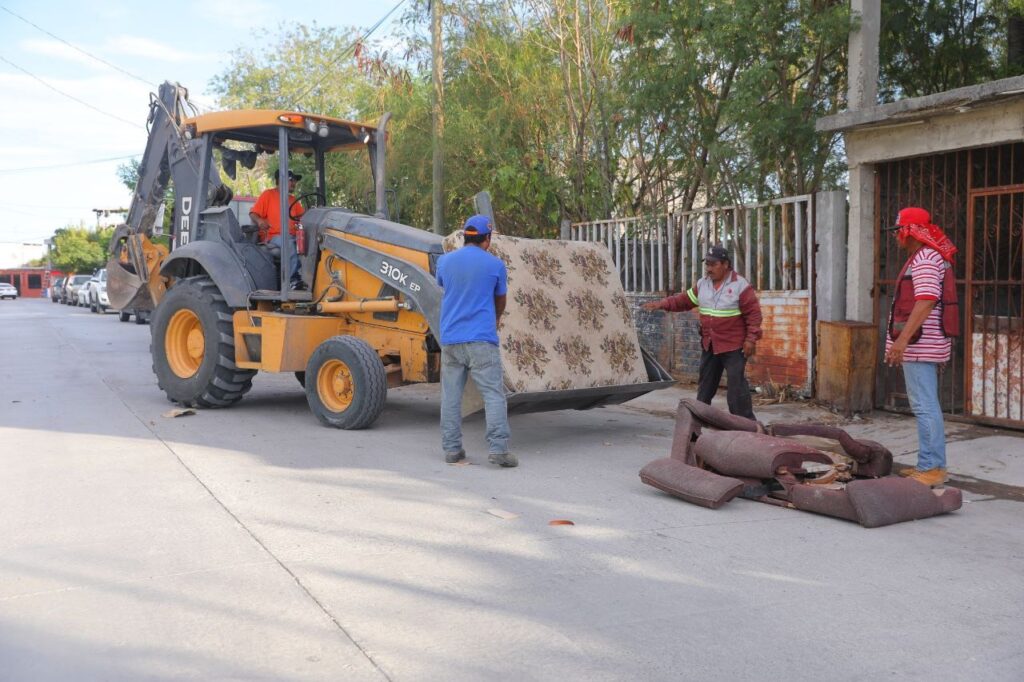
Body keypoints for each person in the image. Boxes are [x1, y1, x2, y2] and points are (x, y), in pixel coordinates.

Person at [641, 244, 762, 420]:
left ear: (725, 264)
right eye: (707, 264)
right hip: (710, 343)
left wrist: (751, 339)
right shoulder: (702, 284)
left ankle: (746, 424)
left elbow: (754, 314)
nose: (709, 268)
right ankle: (697, 422)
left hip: (733, 346)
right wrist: (663, 304)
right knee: (705, 387)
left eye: (713, 264)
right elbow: (684, 300)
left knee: (737, 388)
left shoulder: (740, 286)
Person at [884, 207, 956, 487]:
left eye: (897, 231)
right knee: (926, 405)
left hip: (919, 344)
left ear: (908, 231)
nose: (895, 238)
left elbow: (926, 301)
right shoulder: (927, 255)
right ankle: (929, 463)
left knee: (925, 406)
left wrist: (901, 341)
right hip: (923, 343)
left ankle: (932, 467)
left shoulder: (925, 258)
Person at [435, 214, 515, 467]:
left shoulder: (445, 262)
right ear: (487, 239)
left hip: (451, 338)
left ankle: (452, 449)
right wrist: (496, 319)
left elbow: (443, 286)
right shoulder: (495, 265)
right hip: (481, 338)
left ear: (465, 237)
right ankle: (499, 449)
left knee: (451, 396)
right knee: (493, 395)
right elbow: (500, 299)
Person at [250, 170, 305, 290]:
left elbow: (303, 217)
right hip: (273, 237)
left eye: (295, 180)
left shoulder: (293, 200)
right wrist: (260, 221)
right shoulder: (268, 195)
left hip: (292, 236)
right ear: (280, 181)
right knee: (290, 243)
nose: (294, 183)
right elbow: (253, 214)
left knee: (308, 243)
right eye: (292, 180)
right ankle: (292, 280)